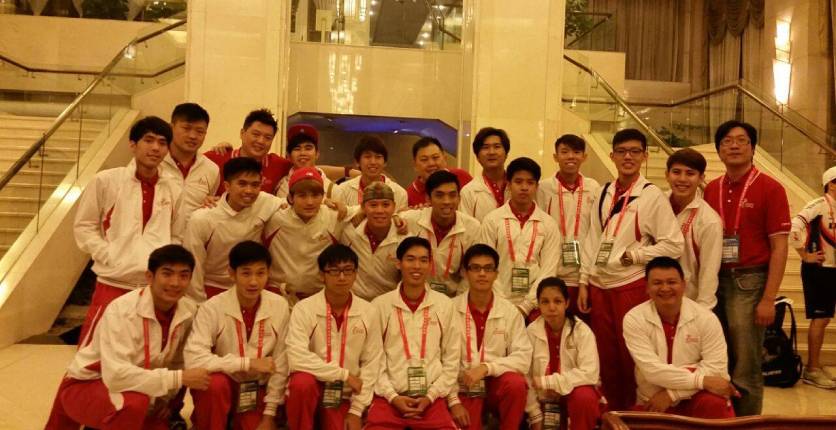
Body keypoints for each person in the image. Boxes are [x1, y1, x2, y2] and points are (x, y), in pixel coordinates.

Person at [46, 245, 209, 430]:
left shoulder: (188, 310)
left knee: (150, 412)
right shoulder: (121, 310)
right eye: (167, 274)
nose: (175, 283)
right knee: (133, 404)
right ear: (149, 276)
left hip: (140, 387)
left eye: (184, 276)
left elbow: (178, 361)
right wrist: (177, 379)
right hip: (90, 383)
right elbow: (116, 376)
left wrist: (165, 398)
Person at [577, 128, 684, 410]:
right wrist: (584, 280)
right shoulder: (603, 192)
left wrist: (636, 255)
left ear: (645, 156)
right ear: (612, 155)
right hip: (599, 286)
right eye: (622, 151)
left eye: (635, 151)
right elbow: (591, 239)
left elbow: (674, 245)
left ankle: (633, 414)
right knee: (605, 357)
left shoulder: (652, 196)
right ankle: (612, 414)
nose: (628, 157)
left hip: (630, 285)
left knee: (631, 355)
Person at [703, 120, 791, 415]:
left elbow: (780, 247)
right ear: (719, 150)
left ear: (753, 148)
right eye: (727, 141)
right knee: (718, 357)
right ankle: (721, 417)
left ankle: (747, 422)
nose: (734, 146)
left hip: (750, 282)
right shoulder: (711, 188)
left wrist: (768, 298)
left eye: (742, 140)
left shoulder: (771, 188)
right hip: (714, 280)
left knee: (746, 363)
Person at [74, 116, 184, 346]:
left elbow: (176, 233)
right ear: (133, 144)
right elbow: (84, 226)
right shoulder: (106, 181)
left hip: (152, 288)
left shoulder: (173, 187)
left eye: (162, 142)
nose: (155, 148)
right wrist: (108, 254)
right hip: (113, 282)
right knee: (94, 352)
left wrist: (163, 267)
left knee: (144, 352)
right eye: (149, 140)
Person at [184, 241, 290, 430]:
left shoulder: (280, 305)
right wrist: (247, 363)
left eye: (260, 273)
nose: (253, 282)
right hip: (223, 384)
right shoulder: (212, 307)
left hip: (256, 390)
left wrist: (269, 414)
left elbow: (282, 362)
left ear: (268, 273)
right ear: (231, 273)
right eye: (246, 273)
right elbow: (194, 359)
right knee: (214, 385)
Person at [285, 244, 384, 430]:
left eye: (348, 270)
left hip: (344, 395)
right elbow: (296, 357)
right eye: (334, 271)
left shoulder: (368, 311)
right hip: (313, 387)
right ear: (321, 275)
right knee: (301, 383)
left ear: (356, 274)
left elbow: (372, 363)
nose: (342, 277)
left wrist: (356, 410)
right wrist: (343, 374)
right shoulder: (304, 308)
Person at [623, 257, 737, 419]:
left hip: (696, 397)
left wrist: (672, 394)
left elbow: (716, 370)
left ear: (684, 285)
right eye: (657, 283)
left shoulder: (706, 318)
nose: (665, 288)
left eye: (671, 282)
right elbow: (653, 372)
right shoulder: (634, 318)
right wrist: (701, 380)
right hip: (653, 401)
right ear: (647, 287)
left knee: (715, 402)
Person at [366, 237, 460, 430]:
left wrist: (431, 396)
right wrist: (392, 396)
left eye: (423, 260)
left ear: (430, 265)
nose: (417, 266)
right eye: (410, 259)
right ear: (398, 263)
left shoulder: (444, 305)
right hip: (388, 398)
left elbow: (451, 359)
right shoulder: (379, 306)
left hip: (432, 398)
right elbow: (373, 361)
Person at [448, 244, 531, 430]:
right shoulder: (449, 309)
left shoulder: (510, 311)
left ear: (496, 274)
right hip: (463, 387)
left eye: (488, 268)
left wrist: (487, 368)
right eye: (475, 268)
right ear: (465, 273)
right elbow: (440, 359)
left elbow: (523, 358)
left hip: (495, 384)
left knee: (515, 384)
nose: (482, 274)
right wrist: (453, 401)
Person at [183, 157, 282, 302]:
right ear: (227, 186)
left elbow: (293, 205)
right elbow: (194, 266)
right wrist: (199, 304)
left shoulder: (265, 202)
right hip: (212, 287)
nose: (249, 191)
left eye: (255, 185)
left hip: (250, 286)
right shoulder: (203, 218)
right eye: (242, 184)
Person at [479, 157, 560, 315]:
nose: (524, 187)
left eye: (530, 183)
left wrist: (525, 307)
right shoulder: (492, 220)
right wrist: (503, 304)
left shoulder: (548, 224)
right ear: (508, 184)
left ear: (537, 186)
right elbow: (487, 265)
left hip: (535, 307)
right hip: (497, 304)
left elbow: (549, 269)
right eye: (518, 182)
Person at [264, 167, 354, 303]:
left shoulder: (334, 216)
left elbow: (367, 208)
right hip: (278, 296)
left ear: (323, 197)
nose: (310, 202)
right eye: (302, 196)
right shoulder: (274, 217)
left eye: (315, 195)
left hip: (317, 298)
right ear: (291, 198)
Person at [525, 277, 602, 430]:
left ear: (566, 303)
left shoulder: (582, 331)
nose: (551, 307)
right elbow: (525, 376)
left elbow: (590, 373)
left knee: (585, 396)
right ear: (538, 304)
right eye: (545, 302)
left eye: (557, 301)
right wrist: (535, 414)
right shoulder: (530, 332)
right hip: (542, 402)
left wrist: (549, 382)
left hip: (573, 398)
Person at [536, 134, 601, 316]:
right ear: (555, 157)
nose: (571, 156)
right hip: (552, 273)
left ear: (584, 157)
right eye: (564, 152)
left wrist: (586, 276)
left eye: (576, 152)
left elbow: (596, 231)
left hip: (583, 275)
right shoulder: (543, 188)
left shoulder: (593, 187)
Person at [790, 165, 836, 389]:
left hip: (833, 269)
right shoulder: (817, 205)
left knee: (825, 319)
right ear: (830, 184)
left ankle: (815, 368)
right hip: (818, 269)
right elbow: (794, 227)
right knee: (820, 318)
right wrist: (804, 255)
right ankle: (812, 370)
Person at [400, 170, 481, 296]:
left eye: (452, 195)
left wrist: (458, 302)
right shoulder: (411, 220)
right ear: (428, 198)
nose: (447, 201)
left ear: (459, 198)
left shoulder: (472, 227)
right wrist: (395, 218)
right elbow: (385, 217)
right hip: (416, 295)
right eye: (439, 195)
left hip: (453, 298)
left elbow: (470, 272)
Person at [665, 148, 723, 308]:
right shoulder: (654, 204)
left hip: (687, 303)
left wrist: (703, 310)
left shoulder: (709, 220)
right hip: (650, 297)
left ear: (701, 178)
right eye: (676, 172)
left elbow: (709, 272)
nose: (682, 179)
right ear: (667, 175)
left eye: (690, 173)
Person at [339, 182, 407, 301]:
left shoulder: (404, 239)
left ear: (394, 207)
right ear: (363, 207)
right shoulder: (349, 231)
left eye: (386, 205)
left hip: (388, 303)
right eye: (373, 205)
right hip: (354, 302)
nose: (380, 210)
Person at [205, 108, 293, 196]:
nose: (261, 141)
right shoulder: (215, 158)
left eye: (268, 137)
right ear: (242, 133)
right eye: (256, 134)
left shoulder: (279, 165)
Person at [160, 103, 220, 223]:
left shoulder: (211, 169)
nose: (193, 136)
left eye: (200, 131)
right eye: (186, 128)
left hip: (192, 235)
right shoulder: (155, 162)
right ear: (171, 127)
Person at [332, 135, 408, 210]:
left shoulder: (399, 193)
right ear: (357, 162)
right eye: (367, 157)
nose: (373, 162)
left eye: (378, 157)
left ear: (385, 162)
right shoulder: (342, 190)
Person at [459, 127, 511, 219]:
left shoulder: (518, 186)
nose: (491, 152)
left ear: (506, 154)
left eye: (497, 147)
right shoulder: (469, 192)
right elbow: (466, 226)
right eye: (485, 147)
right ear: (477, 157)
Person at [406, 136, 473, 207]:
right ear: (415, 165)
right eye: (424, 159)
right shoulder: (409, 195)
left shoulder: (462, 176)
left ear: (445, 158)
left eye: (435, 157)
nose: (431, 163)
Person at [274, 124, 334, 198]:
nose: (302, 153)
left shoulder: (331, 188)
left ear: (317, 154)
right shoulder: (281, 186)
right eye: (297, 149)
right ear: (289, 156)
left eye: (308, 148)